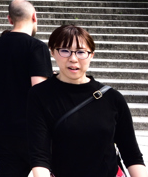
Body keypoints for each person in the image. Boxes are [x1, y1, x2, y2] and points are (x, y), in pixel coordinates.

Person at [28, 24, 146, 177]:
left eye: (81, 52)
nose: (73, 59)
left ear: (91, 55)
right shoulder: (40, 95)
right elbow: (39, 156)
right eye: (64, 51)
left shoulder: (112, 98)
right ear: (53, 52)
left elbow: (131, 154)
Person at [0, 0, 52, 177]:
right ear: (34, 17)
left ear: (9, 19)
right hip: (33, 130)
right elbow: (40, 92)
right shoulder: (37, 47)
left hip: (3, 128)